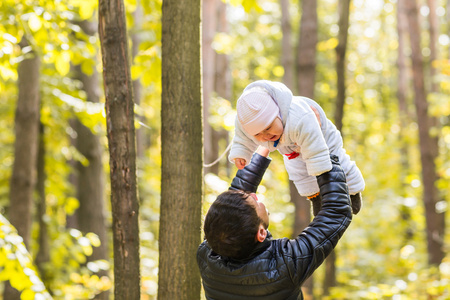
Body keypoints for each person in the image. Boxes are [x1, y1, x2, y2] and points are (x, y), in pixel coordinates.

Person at [197, 146, 353, 300]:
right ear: (261, 233)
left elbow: (232, 208)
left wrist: (265, 146)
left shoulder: (208, 256)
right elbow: (335, 213)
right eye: (256, 203)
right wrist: (319, 150)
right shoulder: (284, 266)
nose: (254, 195)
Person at [229, 80, 365, 215]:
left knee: (336, 164)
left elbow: (315, 149)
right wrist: (241, 153)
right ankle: (315, 197)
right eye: (257, 134)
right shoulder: (248, 124)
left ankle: (353, 191)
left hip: (321, 138)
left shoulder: (299, 118)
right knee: (298, 172)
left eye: (268, 127)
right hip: (291, 148)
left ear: (279, 114)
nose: (265, 136)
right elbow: (242, 138)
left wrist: (319, 168)